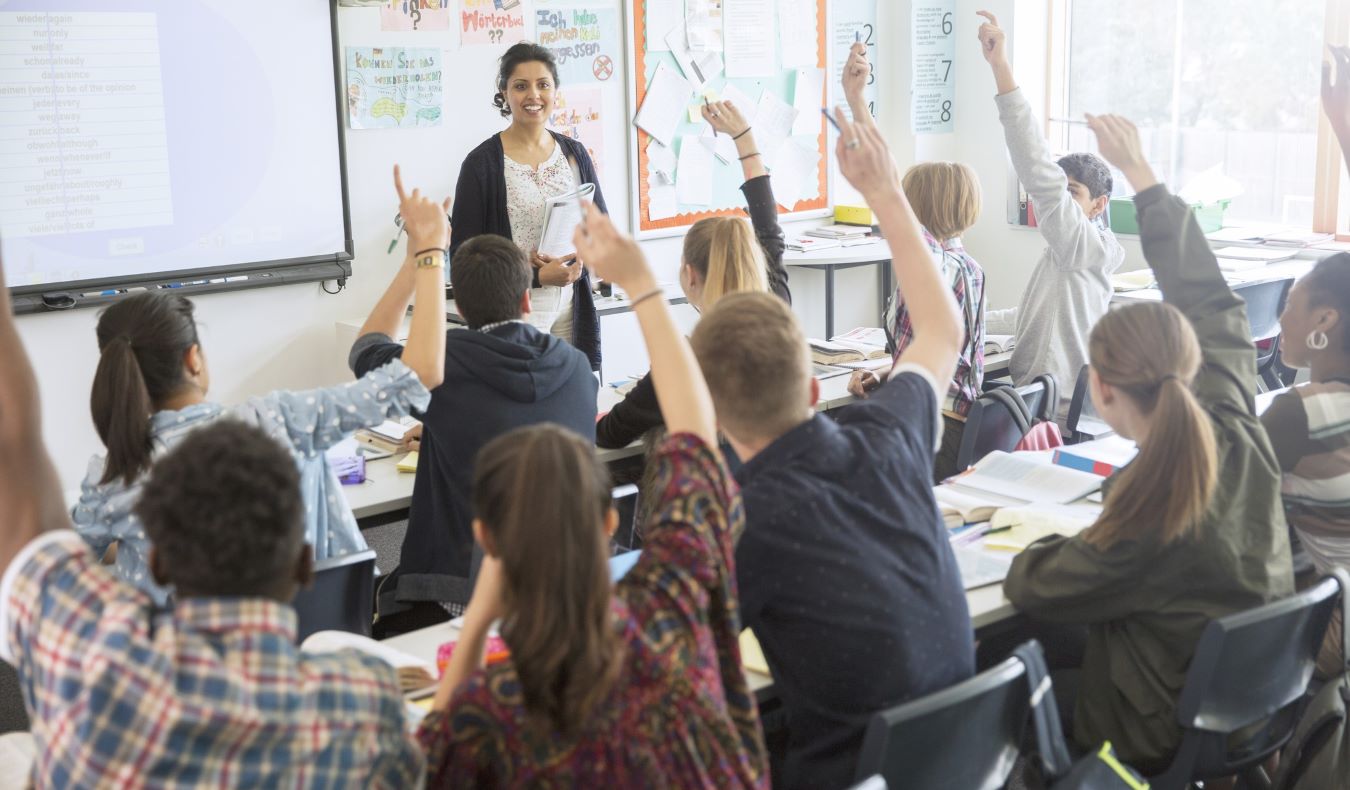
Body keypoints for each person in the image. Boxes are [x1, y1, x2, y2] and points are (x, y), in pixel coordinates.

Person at [0, 256, 423, 785]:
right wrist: (424, 253)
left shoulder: (95, 703)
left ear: (157, 560)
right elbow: (413, 375)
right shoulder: (365, 708)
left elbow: (21, 489)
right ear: (301, 562)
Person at [416, 203, 768, 788]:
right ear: (610, 520)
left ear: (486, 540)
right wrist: (641, 286)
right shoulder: (678, 613)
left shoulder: (490, 708)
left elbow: (425, 762)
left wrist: (478, 620)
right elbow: (695, 436)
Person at [1002, 113, 1294, 774]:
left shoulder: (1147, 508)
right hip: (1245, 700)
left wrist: (1045, 535)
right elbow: (1212, 298)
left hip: (1154, 725)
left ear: (1098, 388)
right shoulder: (1235, 419)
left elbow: (1034, 582)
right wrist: (1143, 174)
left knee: (1006, 665)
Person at [691, 110, 973, 789]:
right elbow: (941, 329)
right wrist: (884, 191)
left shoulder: (743, 522)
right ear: (815, 392)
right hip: (965, 760)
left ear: (715, 421)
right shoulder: (890, 436)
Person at [71, 167, 447, 606]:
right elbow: (419, 373)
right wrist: (429, 252)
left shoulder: (110, 477)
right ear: (194, 358)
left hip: (177, 666)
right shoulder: (277, 422)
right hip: (309, 647)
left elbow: (63, 574)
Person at [351, 230, 597, 629]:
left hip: (464, 602)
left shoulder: (442, 367)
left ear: (461, 309)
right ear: (526, 299)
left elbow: (365, 350)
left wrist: (417, 261)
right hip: (559, 594)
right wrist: (437, 429)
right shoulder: (577, 366)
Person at [595, 97, 791, 451]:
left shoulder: (683, 364)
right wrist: (744, 138)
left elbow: (610, 434)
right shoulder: (778, 312)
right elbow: (769, 230)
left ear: (689, 275)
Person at [843, 45, 986, 480]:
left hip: (936, 430)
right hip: (950, 420)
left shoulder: (941, 264)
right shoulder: (969, 266)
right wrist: (887, 372)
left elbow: (891, 192)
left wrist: (856, 103)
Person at [976, 11, 1124, 417]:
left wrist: (1000, 68)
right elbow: (1031, 317)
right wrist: (969, 320)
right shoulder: (1069, 251)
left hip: (1049, 412)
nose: (1056, 203)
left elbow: (1035, 165)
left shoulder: (1077, 243)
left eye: (1070, 193)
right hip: (1045, 398)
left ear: (1099, 205)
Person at [450, 42, 605, 372]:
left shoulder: (574, 153)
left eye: (543, 84)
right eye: (521, 86)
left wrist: (580, 260)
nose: (533, 95)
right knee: (526, 409)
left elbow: (601, 231)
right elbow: (464, 259)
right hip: (513, 309)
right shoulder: (481, 164)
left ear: (555, 91)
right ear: (504, 92)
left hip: (573, 304)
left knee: (574, 404)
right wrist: (534, 274)